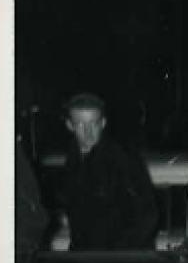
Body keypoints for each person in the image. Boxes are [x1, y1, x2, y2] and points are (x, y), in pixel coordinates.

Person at [60, 93, 158, 251]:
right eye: (80, 124)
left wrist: (118, 256)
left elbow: (147, 216)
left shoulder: (123, 160)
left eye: (94, 123)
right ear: (69, 125)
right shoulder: (72, 161)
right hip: (85, 257)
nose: (88, 131)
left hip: (118, 258)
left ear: (103, 123)